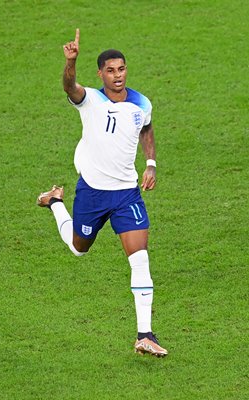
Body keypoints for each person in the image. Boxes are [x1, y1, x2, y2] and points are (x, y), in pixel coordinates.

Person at [37, 28, 168, 357]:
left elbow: (146, 127)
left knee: (140, 260)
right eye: (110, 70)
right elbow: (70, 87)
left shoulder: (141, 103)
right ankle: (55, 202)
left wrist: (150, 163)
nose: (117, 75)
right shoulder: (90, 100)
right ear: (101, 74)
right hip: (93, 193)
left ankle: (145, 334)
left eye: (121, 68)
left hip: (126, 195)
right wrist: (71, 63)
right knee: (79, 248)